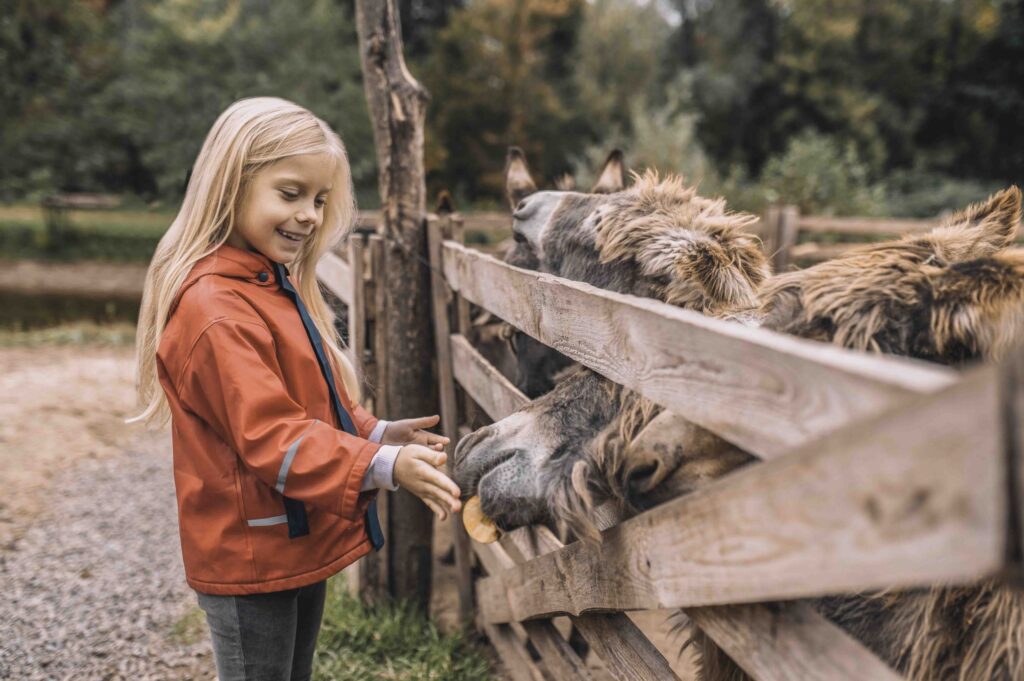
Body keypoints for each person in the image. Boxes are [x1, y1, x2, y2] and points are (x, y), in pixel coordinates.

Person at [128, 97, 462, 680]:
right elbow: (273, 437)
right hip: (250, 553)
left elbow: (307, 406)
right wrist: (381, 464)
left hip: (288, 540)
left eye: (320, 200)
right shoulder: (216, 310)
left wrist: (376, 433)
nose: (308, 215)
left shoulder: (265, 285)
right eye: (290, 194)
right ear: (231, 186)